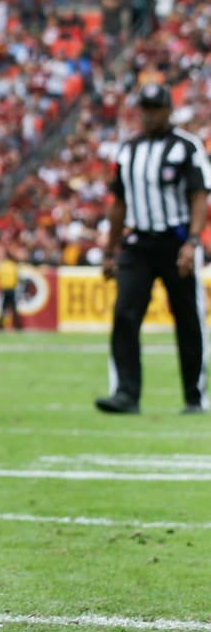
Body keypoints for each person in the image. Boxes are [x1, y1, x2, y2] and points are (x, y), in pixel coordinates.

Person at [99, 82, 210, 415]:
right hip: (138, 244)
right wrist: (109, 250)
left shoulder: (187, 147)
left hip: (177, 243)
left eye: (154, 109)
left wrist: (192, 241)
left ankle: (195, 395)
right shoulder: (128, 150)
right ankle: (125, 393)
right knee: (124, 315)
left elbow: (199, 196)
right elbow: (118, 203)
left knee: (189, 320)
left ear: (167, 111)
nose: (148, 116)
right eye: (144, 109)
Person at [0, 245, 22, 332]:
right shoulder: (13, 266)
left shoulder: (2, 266)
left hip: (5, 290)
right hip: (11, 290)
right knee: (13, 309)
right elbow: (17, 278)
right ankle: (17, 326)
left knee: (3, 309)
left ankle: (0, 326)